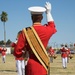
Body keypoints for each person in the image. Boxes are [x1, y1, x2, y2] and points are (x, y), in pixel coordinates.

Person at [14, 2, 57, 75]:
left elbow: (17, 51)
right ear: (42, 18)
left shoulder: (25, 31)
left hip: (31, 64)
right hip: (43, 64)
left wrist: (24, 55)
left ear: (31, 17)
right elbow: (52, 26)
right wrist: (48, 13)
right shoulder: (47, 30)